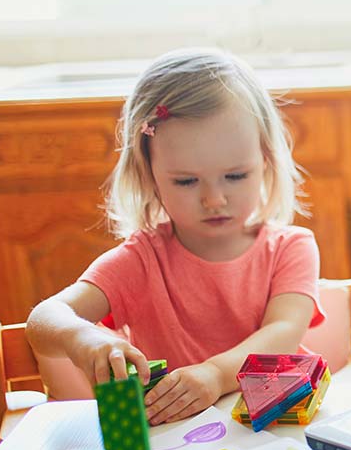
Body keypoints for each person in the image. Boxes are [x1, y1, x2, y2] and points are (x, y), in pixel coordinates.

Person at [26, 48, 324, 425]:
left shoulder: (292, 248)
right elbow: (44, 318)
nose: (214, 199)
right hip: (177, 445)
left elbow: (283, 331)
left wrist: (215, 375)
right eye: (186, 181)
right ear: (149, 175)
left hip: (273, 430)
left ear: (265, 161)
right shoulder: (140, 260)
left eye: (235, 176)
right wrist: (84, 339)